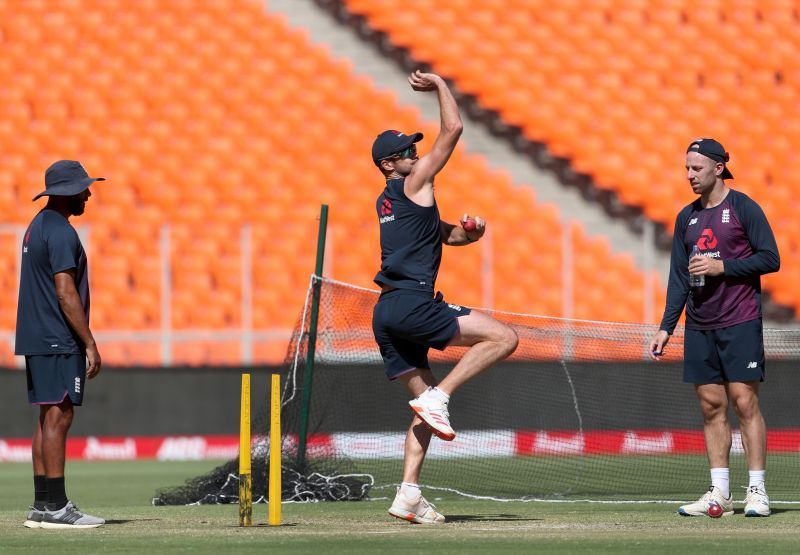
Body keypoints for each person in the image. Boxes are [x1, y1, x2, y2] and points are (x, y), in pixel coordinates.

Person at [371, 71, 519, 524]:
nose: (416, 155)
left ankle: (408, 495)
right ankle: (443, 396)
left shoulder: (393, 200)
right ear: (388, 165)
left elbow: (448, 237)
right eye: (406, 153)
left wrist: (472, 232)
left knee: (424, 410)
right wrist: (438, 84)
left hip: (387, 312)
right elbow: (453, 130)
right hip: (414, 303)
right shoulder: (414, 184)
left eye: (415, 149)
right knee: (503, 338)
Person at [649, 139, 780, 518]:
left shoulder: (743, 208)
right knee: (710, 407)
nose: (689, 175)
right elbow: (678, 277)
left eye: (696, 168)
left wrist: (724, 268)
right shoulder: (685, 217)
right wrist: (666, 327)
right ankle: (719, 492)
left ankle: (756, 490)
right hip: (700, 325)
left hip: (739, 320)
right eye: (686, 168)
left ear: (718, 168)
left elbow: (771, 258)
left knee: (744, 402)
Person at [15, 160, 106, 529]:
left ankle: (43, 504)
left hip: (38, 337)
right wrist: (90, 343)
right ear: (67, 191)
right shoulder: (62, 232)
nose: (89, 193)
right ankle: (56, 508)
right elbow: (66, 293)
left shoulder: (38, 226)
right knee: (61, 414)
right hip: (57, 338)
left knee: (47, 415)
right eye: (83, 188)